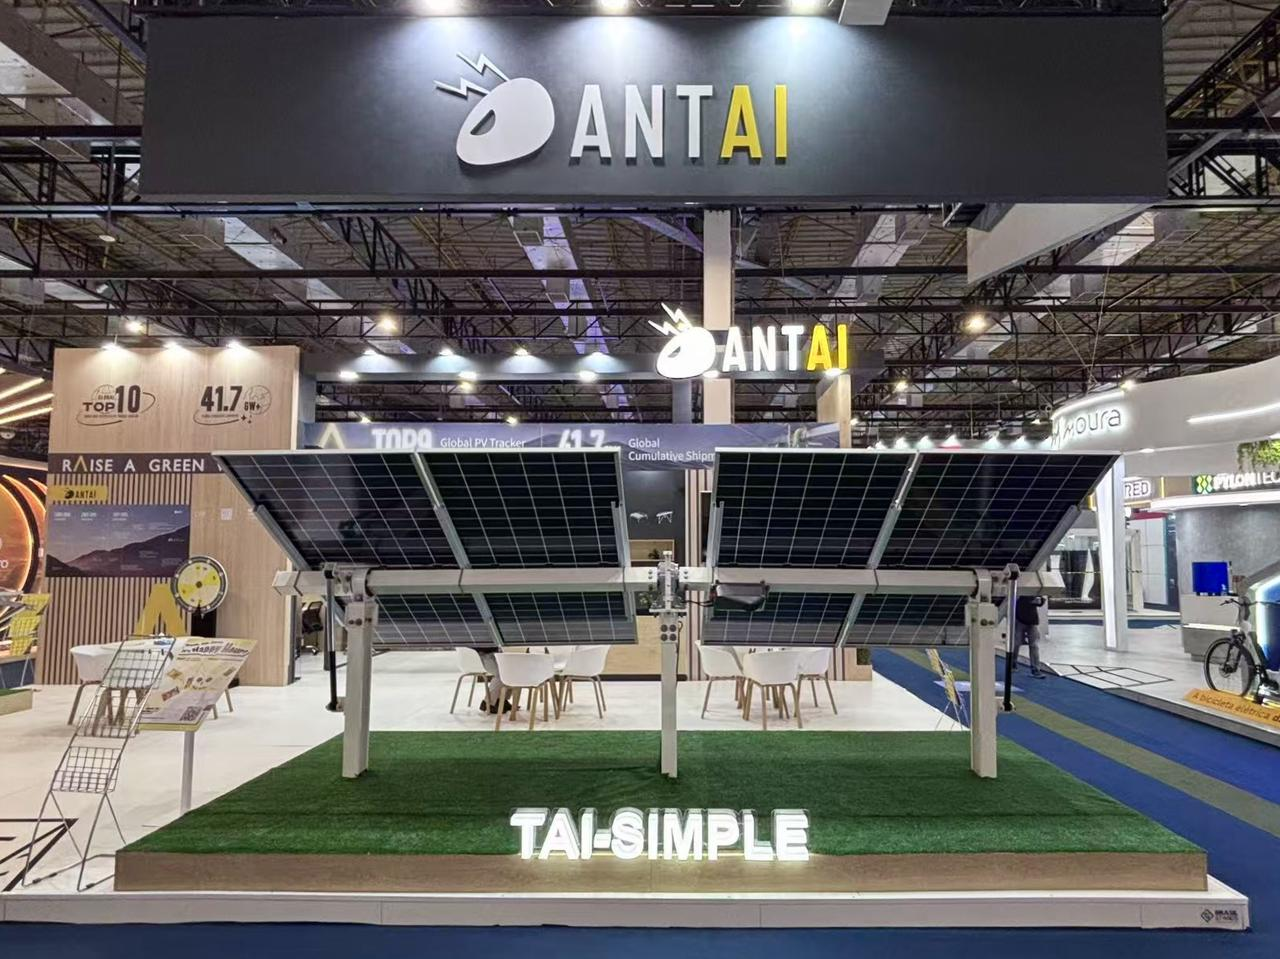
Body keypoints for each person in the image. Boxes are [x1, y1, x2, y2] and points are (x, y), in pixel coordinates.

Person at [1012, 594, 1046, 678]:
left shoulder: (1034, 591)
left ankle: (1035, 670)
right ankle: (1013, 664)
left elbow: (1041, 601)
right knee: (1016, 643)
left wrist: (1040, 600)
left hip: (1031, 621)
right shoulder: (1020, 592)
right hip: (1020, 619)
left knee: (1034, 645)